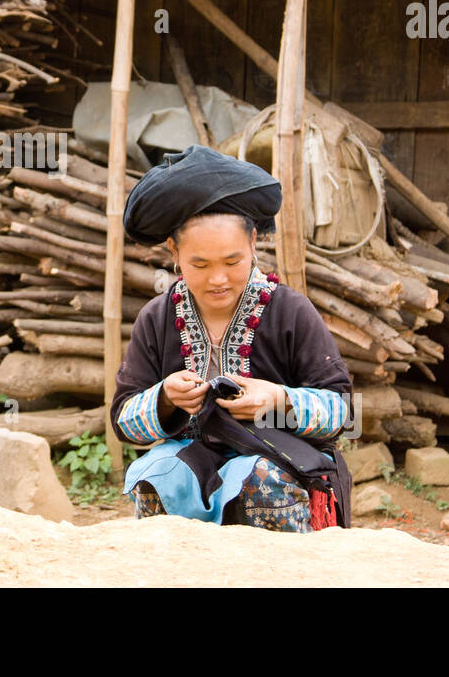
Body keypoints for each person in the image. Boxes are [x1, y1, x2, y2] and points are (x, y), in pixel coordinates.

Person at [110, 144, 353, 531]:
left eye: (233, 261)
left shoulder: (291, 312)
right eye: (200, 264)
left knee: (259, 478)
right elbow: (124, 422)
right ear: (174, 251)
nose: (218, 279)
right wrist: (165, 399)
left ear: (253, 242)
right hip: (191, 457)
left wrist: (278, 399)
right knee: (156, 474)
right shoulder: (157, 318)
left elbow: (342, 412)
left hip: (275, 457)